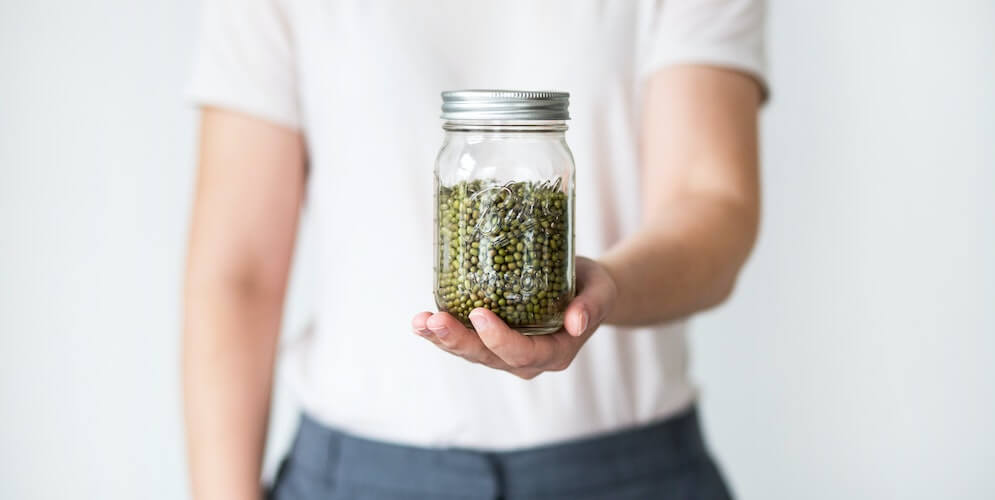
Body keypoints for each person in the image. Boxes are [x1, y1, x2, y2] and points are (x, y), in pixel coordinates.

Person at [182, 0, 766, 498]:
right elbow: (240, 270)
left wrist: (605, 285)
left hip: (629, 473)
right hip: (360, 475)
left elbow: (710, 201)